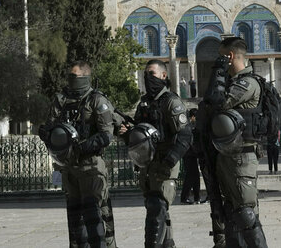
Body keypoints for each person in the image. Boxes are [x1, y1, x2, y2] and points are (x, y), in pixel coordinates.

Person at [38, 60, 117, 247]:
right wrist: (46, 134)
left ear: (85, 77)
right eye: (69, 76)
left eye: (74, 76)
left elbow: (106, 135)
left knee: (95, 217)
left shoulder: (97, 100)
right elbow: (51, 126)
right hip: (69, 168)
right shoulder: (61, 100)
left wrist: (84, 146)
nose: (70, 80)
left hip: (91, 166)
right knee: (75, 221)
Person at [199, 36, 268, 247]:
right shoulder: (234, 82)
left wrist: (217, 72)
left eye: (221, 57)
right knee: (230, 214)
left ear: (229, 56)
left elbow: (218, 103)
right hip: (226, 156)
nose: (218, 62)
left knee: (246, 214)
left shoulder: (248, 83)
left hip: (241, 158)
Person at [119, 60, 192, 246]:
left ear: (163, 76)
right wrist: (126, 133)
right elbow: (139, 134)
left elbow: (185, 135)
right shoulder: (144, 104)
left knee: (156, 209)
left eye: (152, 74)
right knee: (159, 211)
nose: (147, 78)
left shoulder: (171, 101)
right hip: (147, 165)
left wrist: (171, 160)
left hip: (164, 164)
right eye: (145, 74)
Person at [181, 108, 203, 204]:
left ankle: (196, 197)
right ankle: (185, 197)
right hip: (189, 154)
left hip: (191, 154)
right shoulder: (188, 126)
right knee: (190, 176)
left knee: (195, 176)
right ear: (193, 117)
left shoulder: (190, 126)